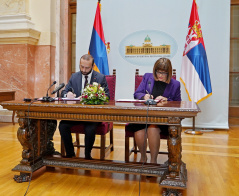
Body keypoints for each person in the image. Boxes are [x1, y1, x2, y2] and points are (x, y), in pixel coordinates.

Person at [127, 58, 181, 164]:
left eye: (163, 73)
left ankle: (153, 161)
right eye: (158, 71)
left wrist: (168, 100)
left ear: (169, 73)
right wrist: (144, 96)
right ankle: (143, 157)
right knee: (139, 130)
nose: (160, 75)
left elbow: (178, 103)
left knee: (152, 128)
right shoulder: (148, 77)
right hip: (144, 116)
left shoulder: (175, 84)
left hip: (162, 119)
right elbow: (136, 94)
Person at [59, 54, 109, 159]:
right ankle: (70, 153)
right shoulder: (74, 76)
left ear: (93, 66)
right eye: (81, 66)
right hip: (77, 114)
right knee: (63, 125)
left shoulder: (100, 78)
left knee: (90, 128)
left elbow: (107, 97)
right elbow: (64, 91)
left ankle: (87, 156)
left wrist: (93, 98)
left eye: (87, 67)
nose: (84, 70)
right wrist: (66, 94)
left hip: (93, 116)